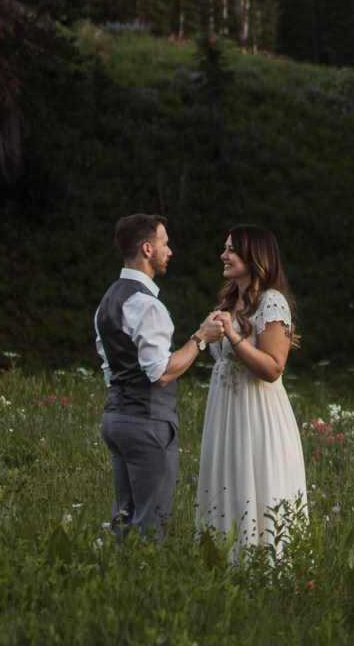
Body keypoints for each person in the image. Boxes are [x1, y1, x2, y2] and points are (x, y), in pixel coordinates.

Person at [95, 213, 222, 541]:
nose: (170, 252)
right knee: (151, 524)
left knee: (124, 520)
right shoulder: (146, 305)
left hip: (115, 418)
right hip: (146, 423)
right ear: (147, 249)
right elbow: (161, 373)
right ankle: (143, 584)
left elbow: (110, 368)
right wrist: (200, 337)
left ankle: (115, 581)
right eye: (165, 244)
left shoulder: (108, 300)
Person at [195, 224, 308, 554]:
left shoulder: (272, 303)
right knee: (227, 480)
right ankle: (221, 558)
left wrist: (232, 335)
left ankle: (261, 564)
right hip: (225, 414)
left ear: (253, 256)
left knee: (255, 480)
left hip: (256, 413)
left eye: (231, 249)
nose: (223, 255)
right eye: (225, 248)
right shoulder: (230, 301)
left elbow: (273, 368)